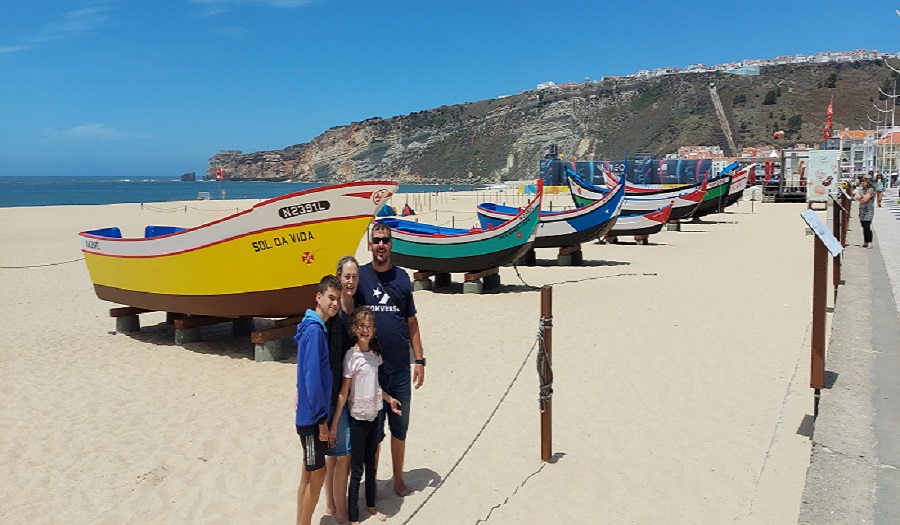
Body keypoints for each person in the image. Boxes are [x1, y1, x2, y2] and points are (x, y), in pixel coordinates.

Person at [355, 222, 425, 497]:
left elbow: (412, 322)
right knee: (373, 433)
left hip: (400, 371)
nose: (381, 245)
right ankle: (371, 485)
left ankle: (397, 480)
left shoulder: (402, 278)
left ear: (391, 245)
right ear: (370, 245)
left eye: (385, 240)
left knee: (400, 429)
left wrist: (419, 360)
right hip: (372, 372)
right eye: (377, 240)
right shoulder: (360, 277)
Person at [333, 307, 403, 524]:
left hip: (375, 415)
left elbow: (376, 385)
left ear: (374, 330)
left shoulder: (375, 354)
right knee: (357, 470)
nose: (365, 330)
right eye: (361, 326)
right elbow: (344, 391)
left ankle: (371, 506)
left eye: (368, 327)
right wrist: (335, 422)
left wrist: (389, 400)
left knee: (371, 464)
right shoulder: (350, 356)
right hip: (357, 419)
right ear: (355, 329)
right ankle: (354, 517)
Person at [294, 275, 341, 525]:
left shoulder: (312, 327)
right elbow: (312, 380)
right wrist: (322, 421)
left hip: (309, 414)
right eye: (331, 298)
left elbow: (302, 373)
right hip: (312, 420)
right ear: (319, 297)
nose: (334, 304)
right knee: (318, 474)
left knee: (307, 473)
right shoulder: (313, 331)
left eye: (338, 299)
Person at [323, 256, 359, 523]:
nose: (350, 281)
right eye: (346, 276)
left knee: (340, 452)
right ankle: (334, 506)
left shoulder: (358, 309)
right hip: (337, 389)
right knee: (337, 453)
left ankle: (336, 503)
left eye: (354, 276)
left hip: (354, 390)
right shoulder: (332, 315)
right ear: (338, 277)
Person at [856, 176, 876, 249]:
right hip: (862, 210)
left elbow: (865, 199)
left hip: (868, 210)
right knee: (863, 226)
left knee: (867, 226)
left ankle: (870, 242)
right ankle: (865, 242)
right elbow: (857, 197)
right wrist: (861, 197)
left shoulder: (871, 190)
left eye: (864, 181)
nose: (863, 183)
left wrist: (861, 197)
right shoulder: (862, 189)